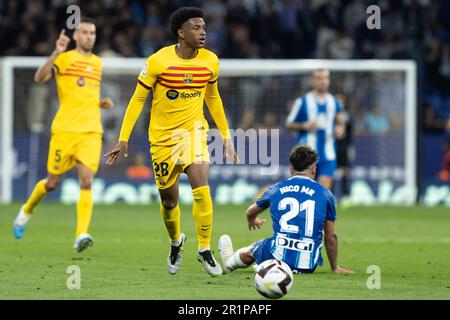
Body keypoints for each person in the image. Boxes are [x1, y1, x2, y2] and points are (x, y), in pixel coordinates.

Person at [105, 7, 238, 277]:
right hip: (162, 139)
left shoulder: (211, 61)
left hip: (193, 133)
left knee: (202, 186)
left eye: (204, 27)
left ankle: (204, 248)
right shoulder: (158, 61)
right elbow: (138, 99)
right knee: (168, 200)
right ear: (181, 32)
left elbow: (213, 98)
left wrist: (226, 134)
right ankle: (177, 241)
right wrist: (123, 138)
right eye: (196, 28)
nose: (203, 32)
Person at [12, 19, 114, 252]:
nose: (90, 36)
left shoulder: (97, 63)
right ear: (76, 36)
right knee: (52, 183)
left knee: (86, 181)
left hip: (90, 131)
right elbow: (39, 78)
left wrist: (101, 103)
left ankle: (81, 234)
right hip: (65, 131)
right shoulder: (65, 59)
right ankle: (26, 210)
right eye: (85, 33)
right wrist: (56, 52)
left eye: (93, 33)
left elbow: (84, 94)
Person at [218, 144, 353, 275]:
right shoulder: (326, 194)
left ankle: (230, 263)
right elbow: (330, 237)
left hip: (277, 255)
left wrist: (252, 220)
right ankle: (268, 266)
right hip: (308, 265)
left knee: (255, 248)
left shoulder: (276, 189)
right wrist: (335, 267)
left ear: (291, 169)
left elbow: (250, 212)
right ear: (314, 169)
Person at [286, 69, 345, 190]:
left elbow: (341, 121)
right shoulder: (302, 101)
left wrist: (340, 129)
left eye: (325, 78)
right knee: (305, 192)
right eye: (319, 78)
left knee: (322, 192)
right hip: (306, 155)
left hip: (328, 154)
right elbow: (289, 124)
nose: (323, 81)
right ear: (313, 81)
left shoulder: (334, 102)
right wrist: (304, 126)